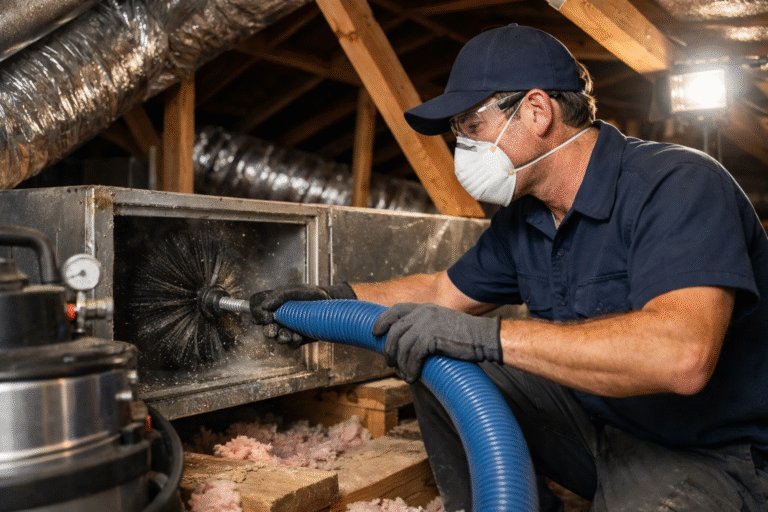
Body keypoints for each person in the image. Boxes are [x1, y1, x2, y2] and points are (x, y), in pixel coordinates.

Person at [250, 24, 768, 511]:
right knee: (433, 357)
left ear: (537, 110)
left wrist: (491, 338)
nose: (463, 147)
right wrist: (332, 299)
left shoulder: (676, 185)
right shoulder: (526, 219)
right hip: (601, 426)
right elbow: (439, 293)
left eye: (472, 126)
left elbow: (681, 356)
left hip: (710, 453)